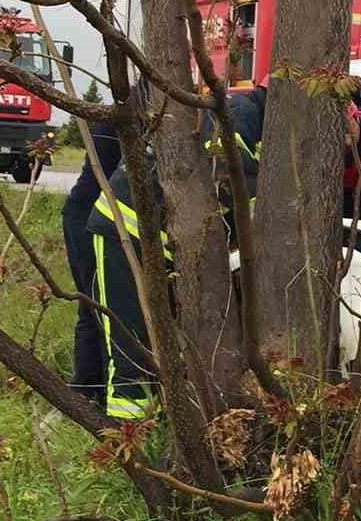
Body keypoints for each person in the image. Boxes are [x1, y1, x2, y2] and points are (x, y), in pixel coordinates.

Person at [86, 84, 267, 421]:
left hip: (165, 237)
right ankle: (126, 436)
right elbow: (228, 170)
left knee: (164, 343)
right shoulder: (242, 112)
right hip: (125, 232)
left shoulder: (249, 115)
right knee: (131, 347)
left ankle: (155, 425)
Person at [62, 113, 124, 404]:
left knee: (95, 304)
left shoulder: (120, 117)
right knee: (97, 304)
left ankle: (88, 389)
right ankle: (89, 390)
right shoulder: (121, 121)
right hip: (89, 218)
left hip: (91, 215)